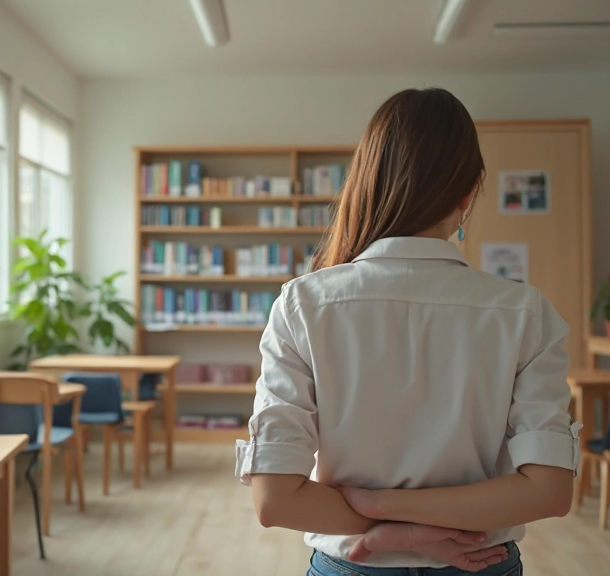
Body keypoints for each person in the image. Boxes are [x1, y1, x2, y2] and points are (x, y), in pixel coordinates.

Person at [235, 88, 581, 576]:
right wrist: (408, 527)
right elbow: (548, 491)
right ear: (471, 191)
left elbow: (275, 499)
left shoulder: (302, 305)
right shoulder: (525, 312)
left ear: (364, 184)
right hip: (481, 563)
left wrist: (387, 517)